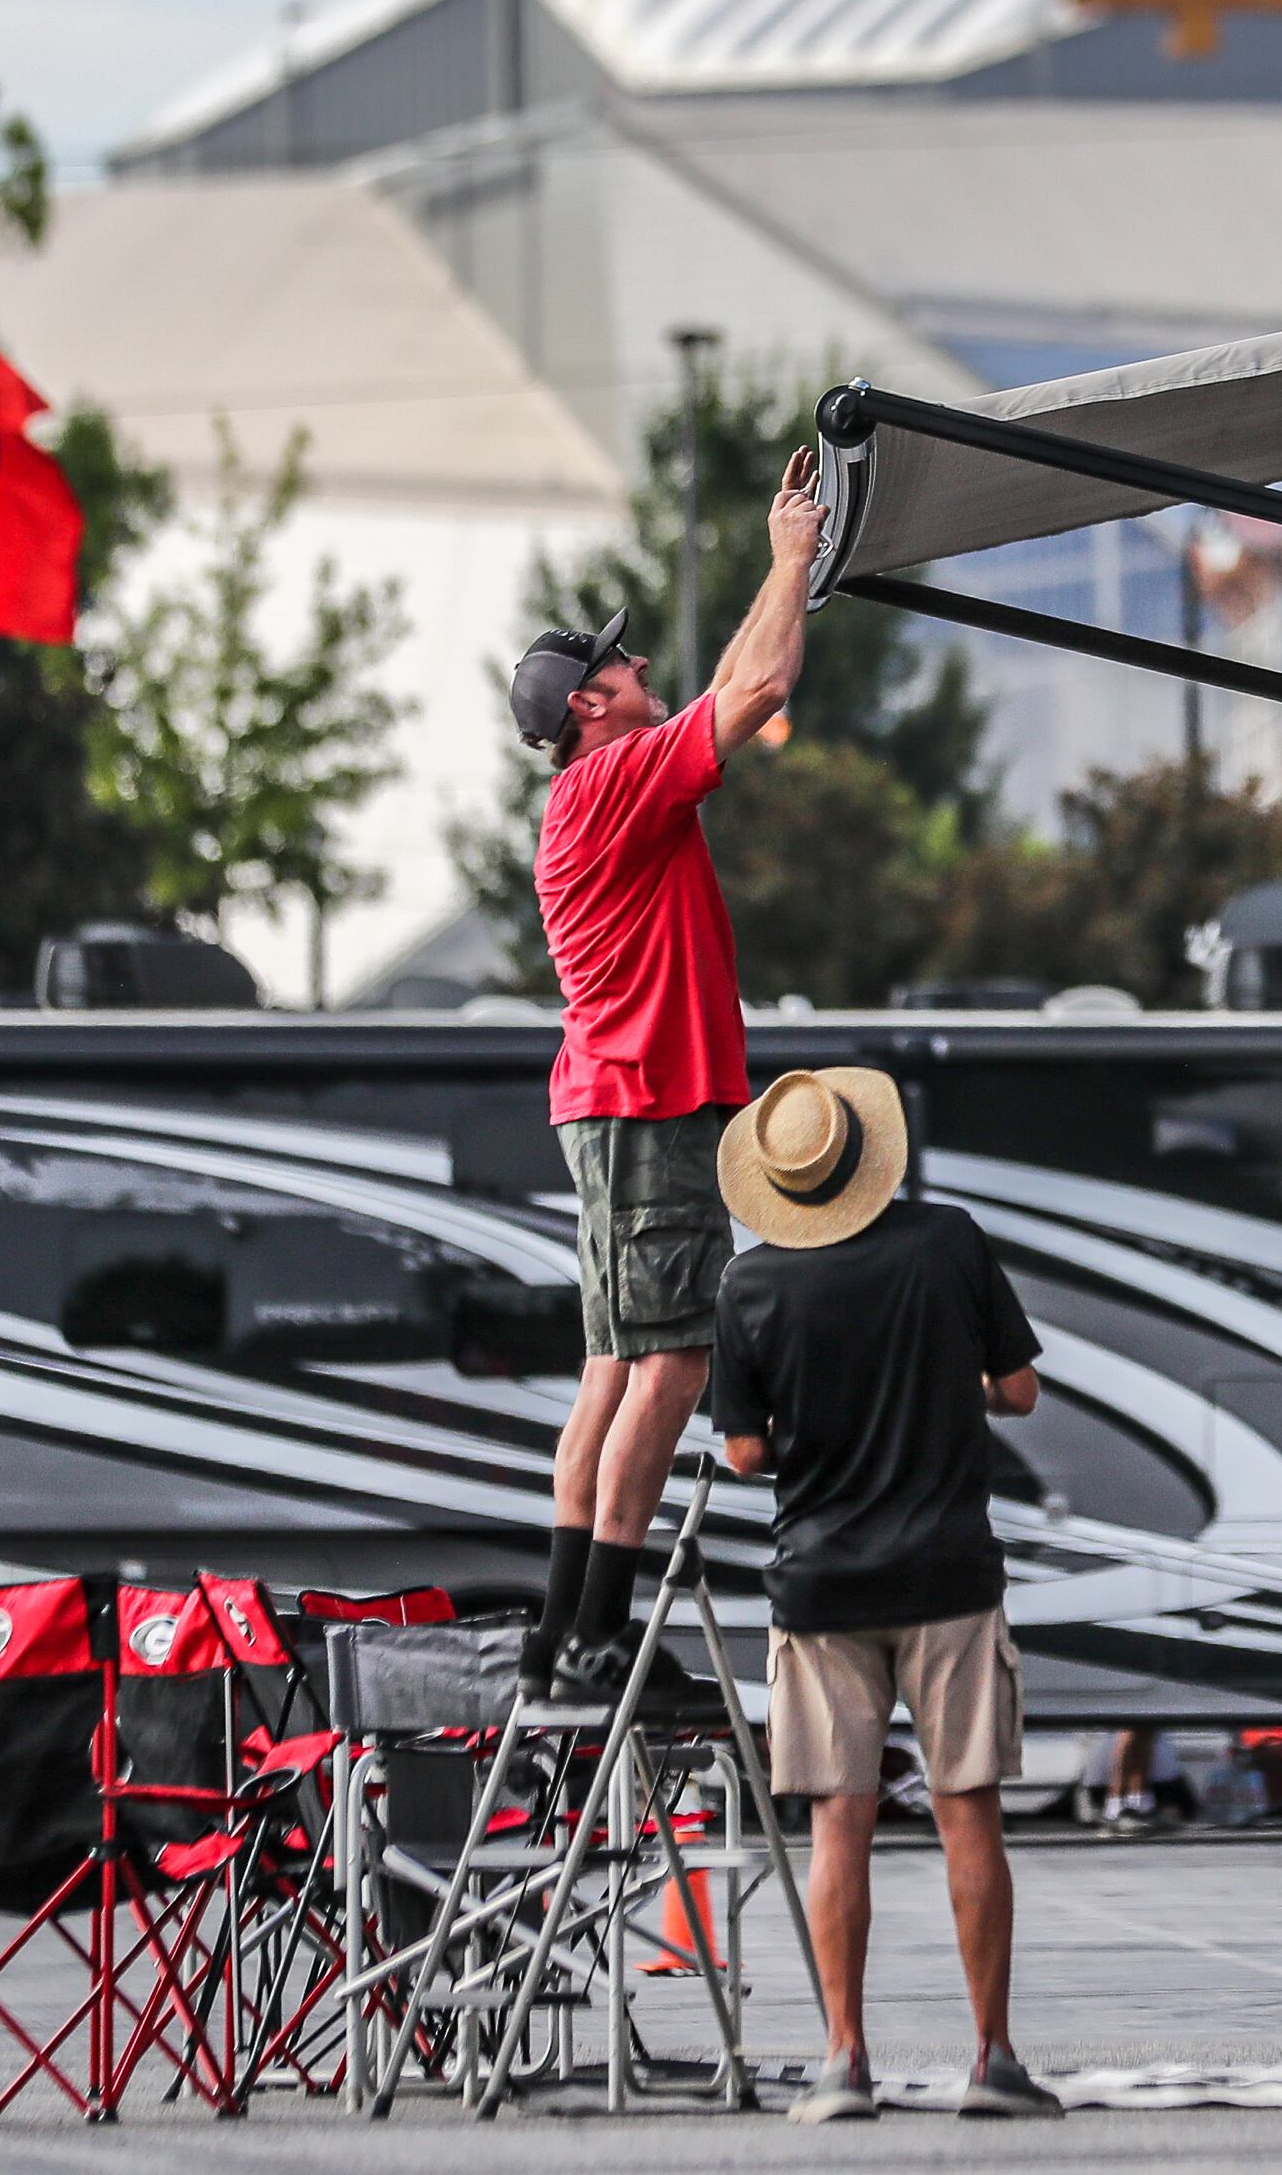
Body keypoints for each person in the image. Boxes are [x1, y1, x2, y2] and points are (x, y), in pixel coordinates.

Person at [510, 450, 824, 1707]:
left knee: (612, 1370)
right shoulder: (618, 780)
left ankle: (560, 1635)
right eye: (622, 663)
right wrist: (791, 551)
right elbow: (759, 682)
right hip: (648, 1103)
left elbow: (736, 675)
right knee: (676, 1366)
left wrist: (785, 566)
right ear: (590, 704)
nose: (641, 668)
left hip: (612, 1099)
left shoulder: (593, 791)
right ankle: (595, 1643)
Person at [709, 1064, 1063, 2126]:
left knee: (838, 1831)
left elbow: (740, 1451)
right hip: (950, 1573)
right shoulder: (948, 1241)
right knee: (971, 1821)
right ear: (872, 1154)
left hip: (820, 1585)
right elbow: (1020, 1391)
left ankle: (843, 2063)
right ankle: (993, 2060)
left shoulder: (751, 1286)